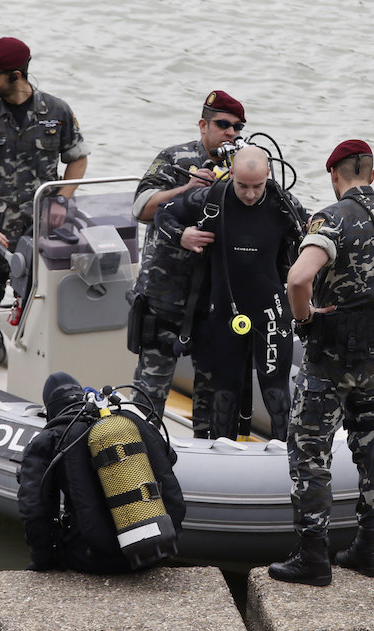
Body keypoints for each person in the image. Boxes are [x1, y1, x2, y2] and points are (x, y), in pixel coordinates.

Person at [268, 140, 374, 586]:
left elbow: (298, 277)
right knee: (370, 444)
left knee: (309, 449)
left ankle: (313, 554)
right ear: (371, 174)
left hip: (330, 359)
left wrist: (306, 318)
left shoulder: (330, 219)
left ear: (335, 175)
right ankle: (369, 547)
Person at [0, 36, 90, 376]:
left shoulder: (56, 113)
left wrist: (61, 199)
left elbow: (77, 160)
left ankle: (39, 378)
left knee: (41, 307)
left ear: (16, 75)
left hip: (40, 233)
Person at [155, 145, 306, 441]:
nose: (250, 194)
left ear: (268, 177)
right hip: (225, 312)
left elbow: (313, 241)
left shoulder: (283, 204)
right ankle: (223, 456)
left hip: (271, 313)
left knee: (276, 395)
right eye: (242, 186)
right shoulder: (213, 199)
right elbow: (164, 214)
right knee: (223, 398)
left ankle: (287, 466)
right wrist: (182, 236)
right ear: (231, 174)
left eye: (257, 187)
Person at [128, 90, 246, 437]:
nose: (231, 133)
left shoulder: (244, 168)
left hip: (214, 301)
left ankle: (211, 464)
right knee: (149, 395)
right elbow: (142, 208)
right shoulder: (176, 158)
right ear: (203, 125)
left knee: (212, 403)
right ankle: (136, 459)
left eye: (237, 127)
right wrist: (187, 188)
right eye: (223, 125)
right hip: (165, 295)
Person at [17, 372, 186, 573]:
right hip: (158, 546)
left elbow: (34, 508)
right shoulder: (127, 421)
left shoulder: (50, 439)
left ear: (49, 410)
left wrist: (42, 561)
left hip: (93, 559)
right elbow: (169, 458)